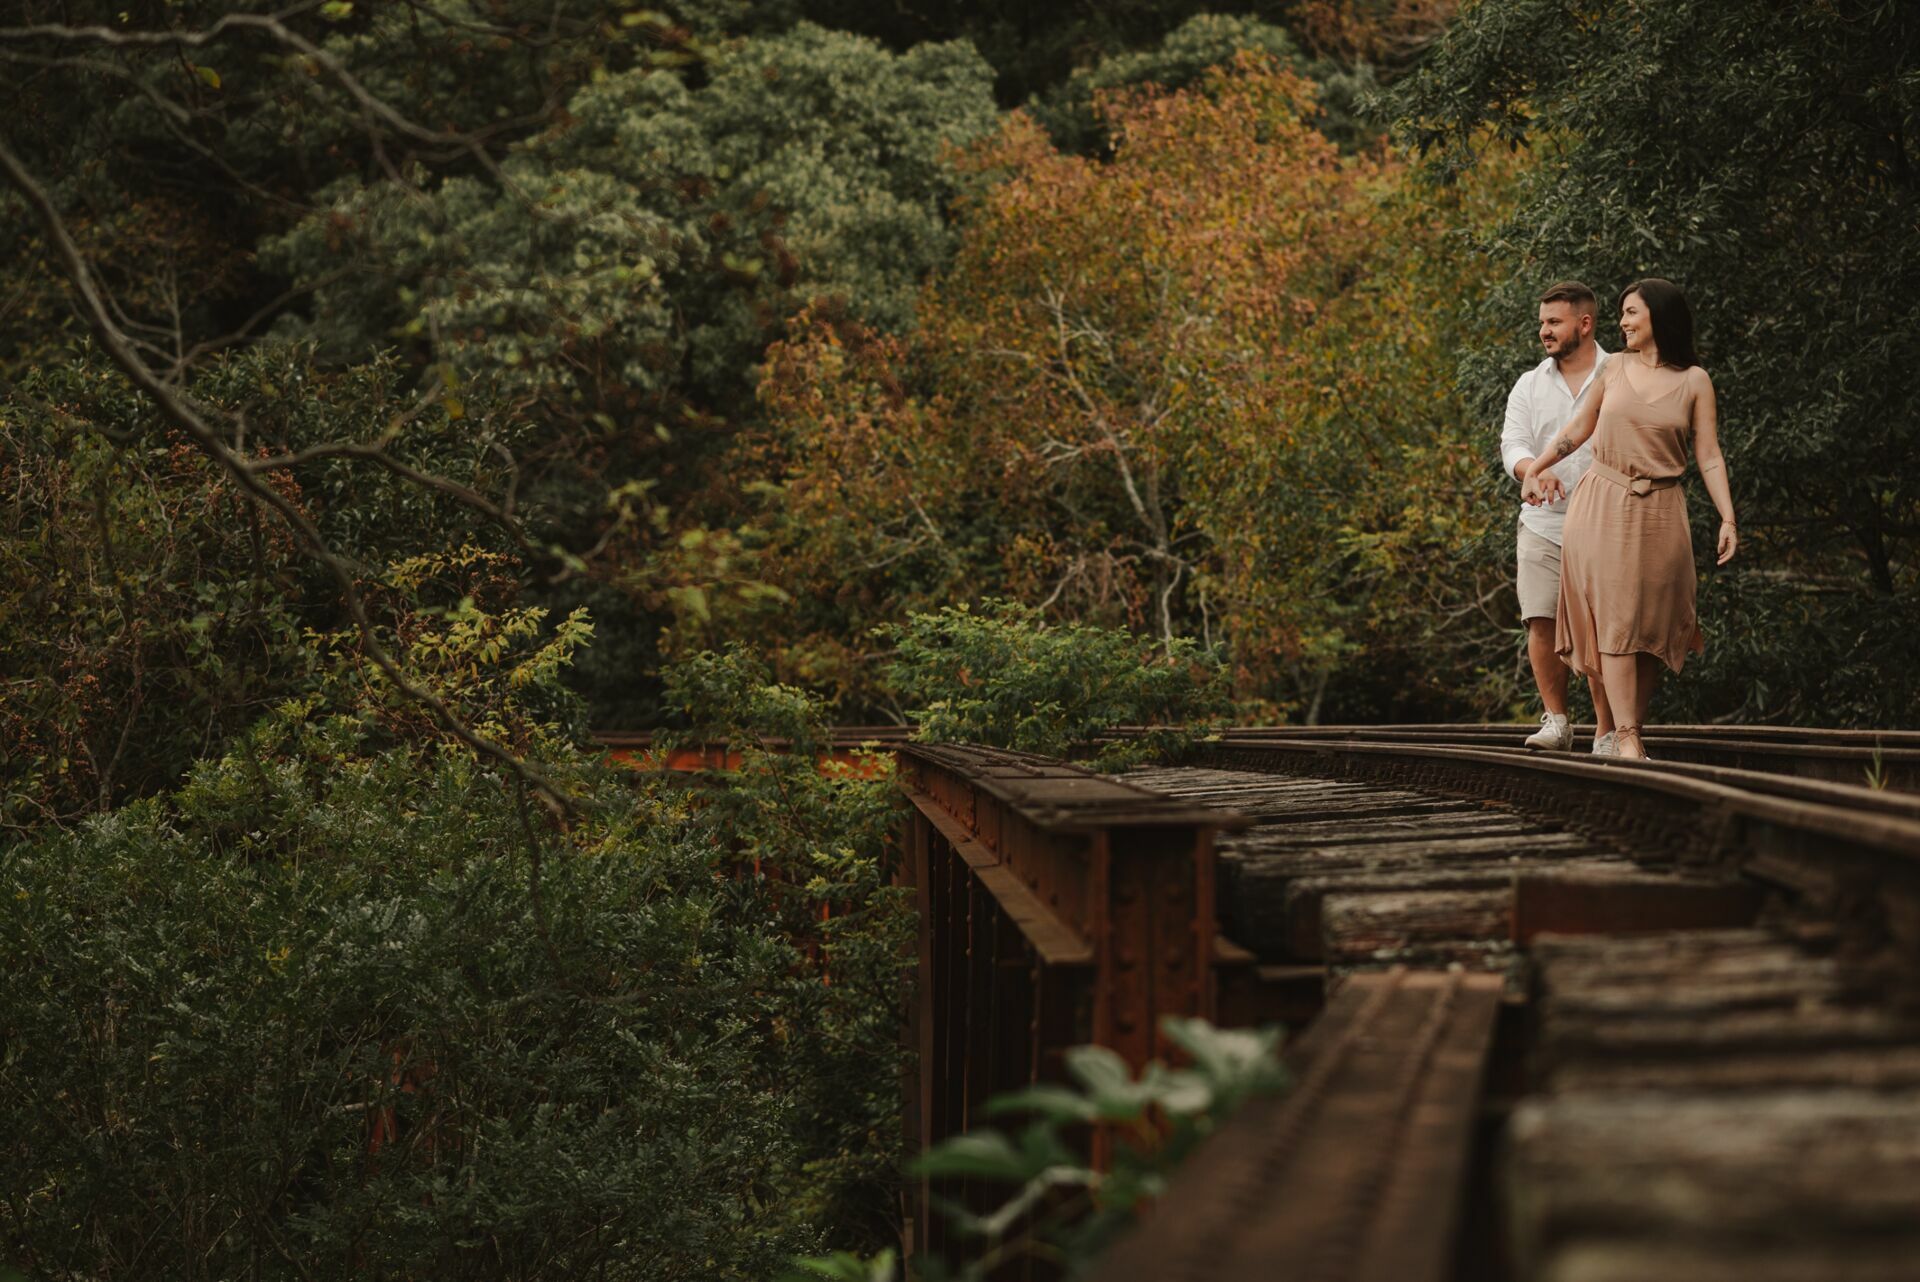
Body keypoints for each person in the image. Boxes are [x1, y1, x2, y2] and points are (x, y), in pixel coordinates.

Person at [1520, 278, 1738, 760]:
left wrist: (1728, 518)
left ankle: (1626, 729)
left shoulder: (1694, 380)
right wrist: (1537, 467)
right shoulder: (1614, 368)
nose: (1622, 322)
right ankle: (1625, 736)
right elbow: (1579, 428)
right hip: (1604, 502)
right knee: (1616, 621)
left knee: (1650, 627)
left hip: (1663, 509)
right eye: (1621, 313)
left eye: (1631, 313)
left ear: (1658, 316)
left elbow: (1710, 455)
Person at [1500, 281, 1617, 754]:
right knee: (1540, 619)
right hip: (1543, 523)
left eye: (1554, 322)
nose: (1544, 331)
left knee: (1605, 625)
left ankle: (1609, 732)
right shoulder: (1530, 383)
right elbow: (1513, 446)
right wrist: (1533, 472)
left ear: (1584, 324)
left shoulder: (1620, 373)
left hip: (1607, 522)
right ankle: (1558, 722)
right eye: (1542, 322)